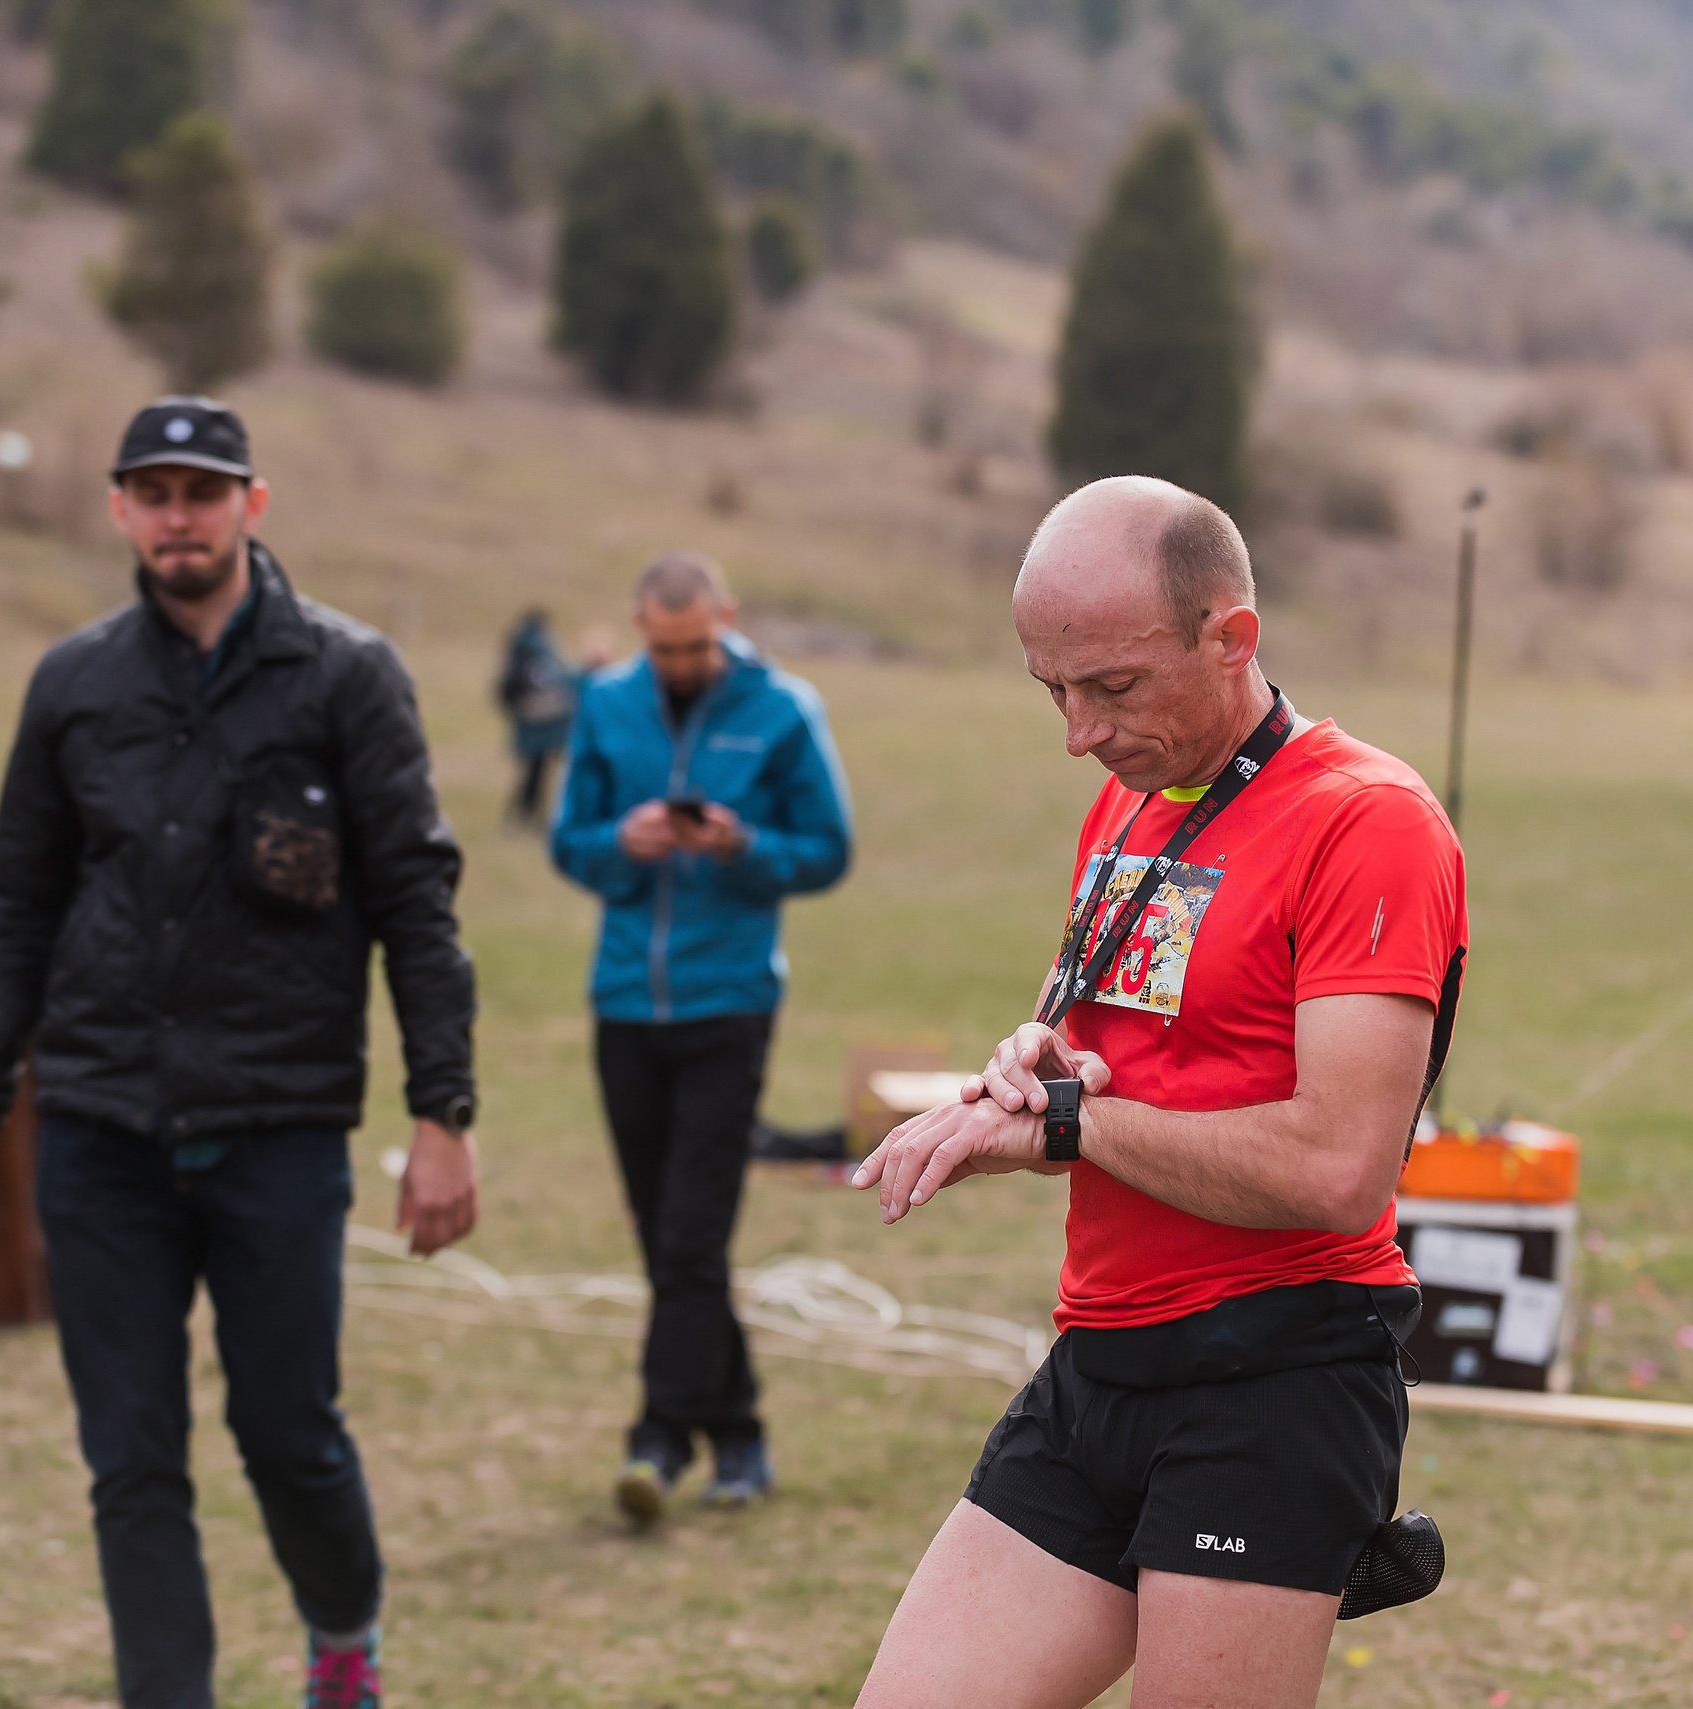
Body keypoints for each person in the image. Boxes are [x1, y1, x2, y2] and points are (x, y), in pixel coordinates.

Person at [849, 477, 1466, 1709]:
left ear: (1230, 635)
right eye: (1053, 691)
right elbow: (1113, 1077)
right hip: (1100, 1363)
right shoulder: (1133, 796)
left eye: (1113, 686)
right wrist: (1033, 1083)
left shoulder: (1368, 821)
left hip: (1273, 1380)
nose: (1079, 732)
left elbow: (1339, 1169)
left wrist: (1073, 1121)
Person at [0, 397, 480, 1709]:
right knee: (131, 1457)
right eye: (154, 493)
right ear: (120, 508)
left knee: (288, 1433)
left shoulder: (347, 674)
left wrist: (442, 1112)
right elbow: (19, 910)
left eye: (203, 492)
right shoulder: (73, 684)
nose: (179, 516)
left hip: (279, 1126)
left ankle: (342, 1636)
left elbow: (416, 905)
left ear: (250, 505)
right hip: (98, 1128)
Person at [551, 552, 852, 1524]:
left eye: (694, 645)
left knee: (689, 1235)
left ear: (725, 616)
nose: (679, 663)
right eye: (662, 647)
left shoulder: (784, 710)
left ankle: (658, 1436)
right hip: (623, 1004)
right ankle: (739, 1432)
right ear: (640, 629)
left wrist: (738, 844)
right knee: (666, 1237)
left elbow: (828, 850)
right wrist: (619, 842)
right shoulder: (605, 703)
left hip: (729, 1005)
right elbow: (569, 839)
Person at [497, 608, 574, 828]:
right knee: (541, 772)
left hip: (527, 718)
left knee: (532, 772)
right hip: (546, 722)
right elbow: (555, 678)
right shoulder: (540, 648)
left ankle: (525, 815)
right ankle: (533, 816)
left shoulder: (518, 647)